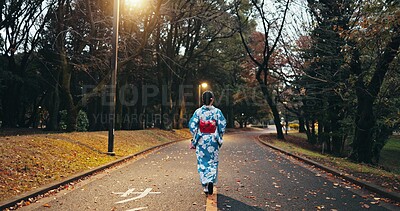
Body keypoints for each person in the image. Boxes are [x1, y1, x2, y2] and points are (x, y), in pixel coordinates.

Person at [188, 91, 226, 195]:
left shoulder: (198, 112)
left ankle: (205, 185)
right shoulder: (217, 112)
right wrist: (219, 135)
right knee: (213, 161)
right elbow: (222, 125)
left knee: (202, 162)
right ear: (212, 99)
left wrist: (195, 135)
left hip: (201, 140)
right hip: (213, 139)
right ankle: (211, 180)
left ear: (202, 99)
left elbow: (192, 125)